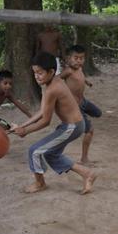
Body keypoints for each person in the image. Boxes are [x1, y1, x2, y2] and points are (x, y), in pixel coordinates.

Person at [11, 52, 96, 194]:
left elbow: (45, 121)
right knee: (51, 154)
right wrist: (22, 126)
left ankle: (40, 183)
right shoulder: (50, 83)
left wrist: (26, 132)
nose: (36, 76)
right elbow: (42, 111)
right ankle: (87, 174)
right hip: (72, 125)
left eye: (40, 73)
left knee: (34, 151)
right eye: (34, 73)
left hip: (72, 127)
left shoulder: (53, 89)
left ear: (51, 71)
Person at [60, 45, 102, 164]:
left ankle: (76, 123)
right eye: (76, 58)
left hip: (83, 101)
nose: (79, 61)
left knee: (98, 113)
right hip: (75, 107)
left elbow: (80, 78)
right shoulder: (68, 71)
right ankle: (84, 158)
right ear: (68, 59)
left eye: (81, 58)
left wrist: (87, 82)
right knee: (90, 130)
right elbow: (56, 79)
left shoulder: (79, 68)